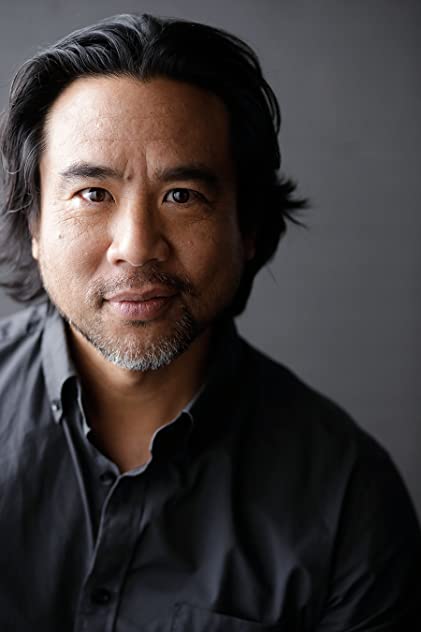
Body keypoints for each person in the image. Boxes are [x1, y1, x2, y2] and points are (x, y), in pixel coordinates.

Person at [0, 13, 419, 631]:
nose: (136, 246)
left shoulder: (348, 498)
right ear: (34, 226)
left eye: (182, 196)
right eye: (93, 194)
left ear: (247, 229)